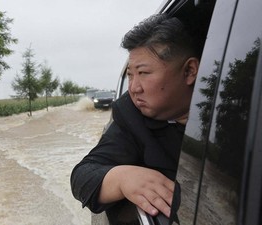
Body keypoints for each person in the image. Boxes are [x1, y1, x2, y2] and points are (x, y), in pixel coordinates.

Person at [70, 13, 200, 224]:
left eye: (144, 73)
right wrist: (121, 178)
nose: (133, 88)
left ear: (189, 71)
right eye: (130, 75)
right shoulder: (130, 115)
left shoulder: (234, 112)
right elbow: (83, 176)